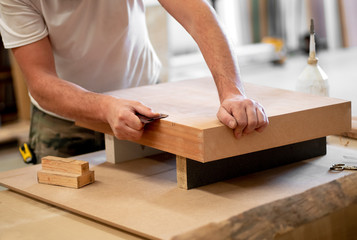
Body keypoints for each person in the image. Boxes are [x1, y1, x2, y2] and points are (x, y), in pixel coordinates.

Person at [0, 0, 268, 162]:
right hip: (63, 121)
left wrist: (231, 91)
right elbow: (41, 81)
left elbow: (199, 16)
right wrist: (105, 107)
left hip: (144, 108)